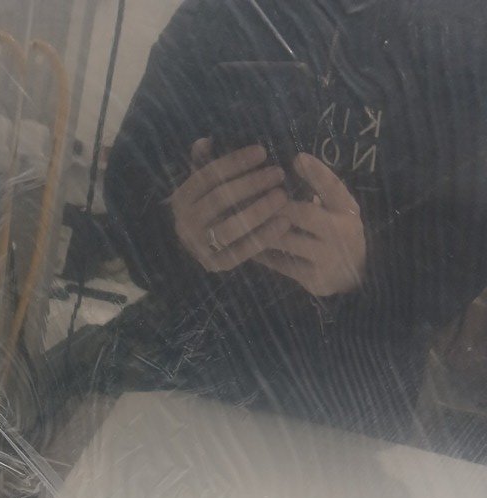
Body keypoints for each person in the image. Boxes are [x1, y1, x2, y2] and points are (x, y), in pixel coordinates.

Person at [83, 0, 487, 440]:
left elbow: (469, 249)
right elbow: (129, 186)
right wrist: (176, 227)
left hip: (352, 418)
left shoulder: (464, 31)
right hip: (191, 389)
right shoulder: (222, 10)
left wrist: (368, 266)